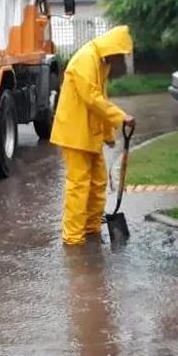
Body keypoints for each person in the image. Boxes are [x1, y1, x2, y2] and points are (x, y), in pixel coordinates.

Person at [51, 26, 137, 245]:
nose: (119, 60)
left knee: (98, 181)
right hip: (74, 133)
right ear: (112, 48)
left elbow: (102, 97)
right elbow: (92, 97)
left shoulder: (100, 62)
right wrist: (120, 117)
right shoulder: (85, 60)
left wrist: (108, 132)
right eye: (119, 55)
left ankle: (90, 227)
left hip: (89, 133)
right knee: (79, 184)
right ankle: (73, 236)